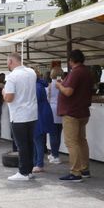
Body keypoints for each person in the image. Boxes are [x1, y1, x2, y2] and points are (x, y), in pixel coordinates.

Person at [56, 50, 93, 182]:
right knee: (81, 140)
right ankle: (85, 169)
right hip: (82, 112)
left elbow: (68, 92)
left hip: (71, 112)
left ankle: (75, 173)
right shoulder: (87, 72)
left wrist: (59, 85)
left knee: (72, 143)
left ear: (71, 60)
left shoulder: (76, 72)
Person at [3, 53, 37, 181]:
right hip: (32, 113)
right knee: (29, 143)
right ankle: (29, 170)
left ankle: (23, 172)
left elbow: (9, 98)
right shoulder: (31, 72)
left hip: (18, 115)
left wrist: (3, 93)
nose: (7, 65)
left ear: (11, 61)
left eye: (7, 62)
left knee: (21, 145)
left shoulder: (12, 77)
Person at [31, 68, 55, 173]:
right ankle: (36, 162)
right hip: (43, 113)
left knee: (38, 140)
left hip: (39, 114)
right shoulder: (40, 84)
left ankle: (39, 164)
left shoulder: (36, 87)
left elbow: (33, 102)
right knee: (38, 140)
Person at [47, 67, 64, 164]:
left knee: (53, 134)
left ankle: (55, 155)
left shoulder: (50, 85)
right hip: (61, 109)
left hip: (52, 110)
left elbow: (47, 98)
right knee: (58, 133)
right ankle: (55, 153)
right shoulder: (64, 84)